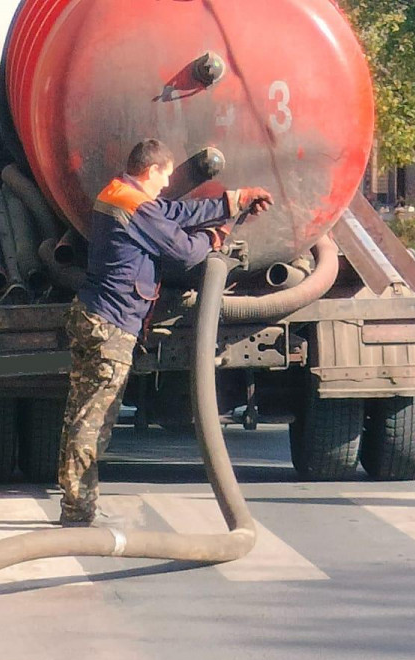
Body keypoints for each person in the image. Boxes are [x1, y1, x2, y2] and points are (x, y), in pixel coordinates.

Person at [57, 138, 273, 526]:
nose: (167, 182)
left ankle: (77, 503)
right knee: (93, 422)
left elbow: (172, 212)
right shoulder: (133, 205)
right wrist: (213, 238)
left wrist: (231, 201)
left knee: (80, 415)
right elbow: (183, 251)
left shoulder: (121, 193)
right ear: (151, 170)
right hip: (111, 325)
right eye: (165, 175)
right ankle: (77, 510)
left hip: (94, 315)